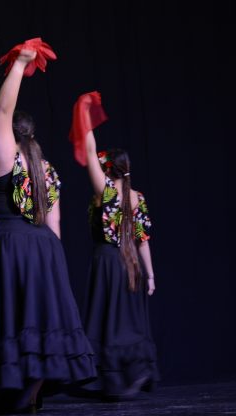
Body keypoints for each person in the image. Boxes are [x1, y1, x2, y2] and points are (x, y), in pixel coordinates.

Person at [0, 46, 95, 413]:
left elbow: (1, 110)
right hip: (45, 249)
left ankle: (16, 396)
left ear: (9, 134)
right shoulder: (46, 168)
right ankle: (30, 393)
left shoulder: (6, 156)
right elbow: (56, 223)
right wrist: (55, 273)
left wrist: (19, 64)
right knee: (35, 322)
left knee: (10, 319)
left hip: (8, 245)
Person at [79, 122, 159, 398]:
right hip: (131, 265)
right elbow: (142, 240)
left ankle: (111, 381)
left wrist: (85, 123)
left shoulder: (107, 192)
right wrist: (149, 275)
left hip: (108, 263)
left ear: (108, 169)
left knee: (107, 320)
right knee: (125, 321)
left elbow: (89, 154)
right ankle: (130, 375)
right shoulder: (137, 197)